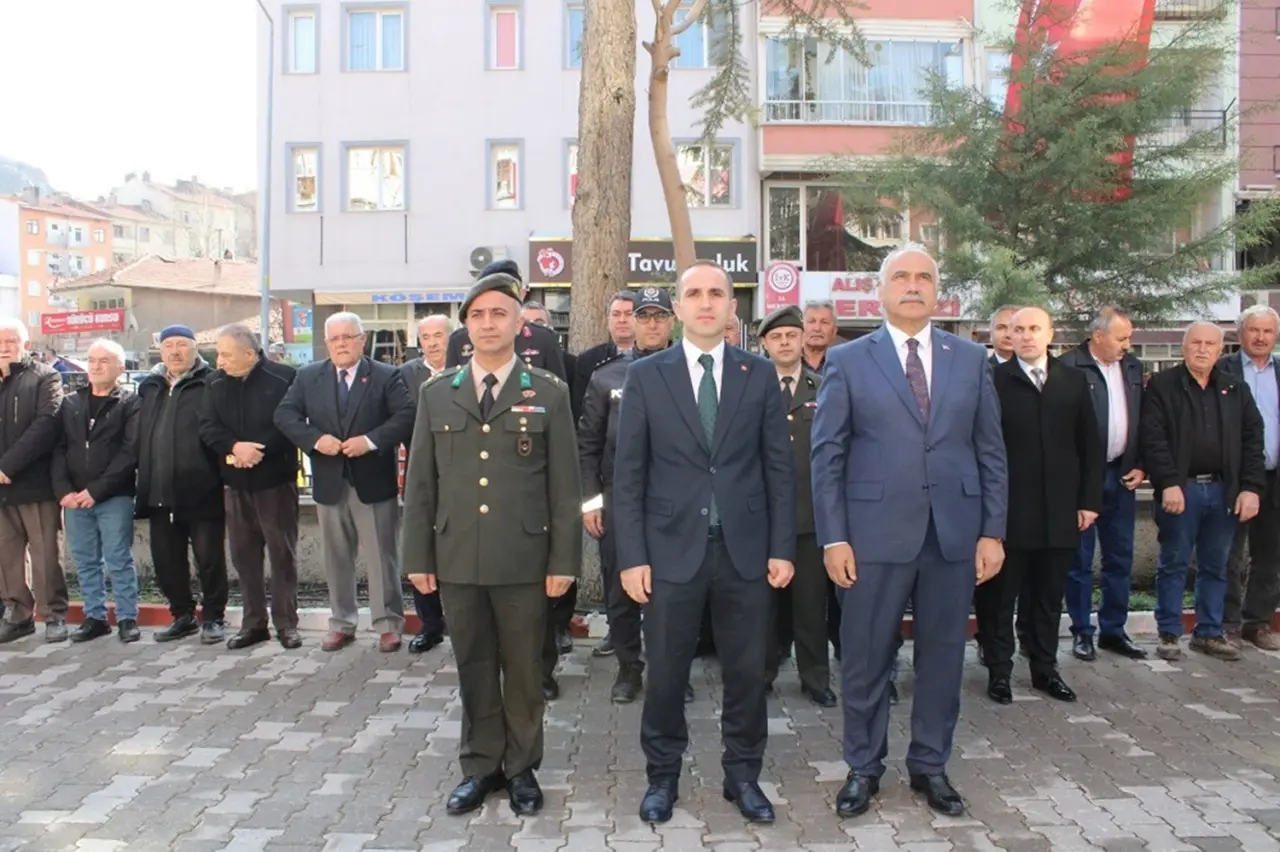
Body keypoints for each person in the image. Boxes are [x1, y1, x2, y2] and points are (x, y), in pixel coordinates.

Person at [811, 245, 1007, 819]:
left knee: (943, 658)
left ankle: (930, 766)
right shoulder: (848, 361)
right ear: (881, 290)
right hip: (871, 538)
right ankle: (863, 768)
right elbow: (828, 457)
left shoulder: (971, 360)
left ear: (937, 290)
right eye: (902, 276)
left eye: (924, 277)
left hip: (953, 535)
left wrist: (992, 531)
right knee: (867, 656)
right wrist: (834, 537)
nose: (914, 285)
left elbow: (990, 451)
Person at [613, 260, 796, 826]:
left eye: (717, 292)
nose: (706, 302)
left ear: (731, 306)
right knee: (666, 672)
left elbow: (778, 468)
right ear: (677, 307)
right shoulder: (647, 376)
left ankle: (743, 776)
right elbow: (629, 475)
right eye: (694, 293)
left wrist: (782, 547)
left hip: (744, 550)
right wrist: (633, 556)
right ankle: (661, 778)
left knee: (746, 672)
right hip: (670, 551)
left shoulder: (757, 374)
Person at [402, 271, 581, 817]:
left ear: (519, 322)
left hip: (524, 560)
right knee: (474, 666)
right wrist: (417, 557)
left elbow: (564, 487)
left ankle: (522, 769)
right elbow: (421, 485)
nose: (487, 324)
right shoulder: (437, 394)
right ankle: (481, 767)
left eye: (498, 313)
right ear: (465, 327)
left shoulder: (548, 392)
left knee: (525, 671)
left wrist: (564, 561)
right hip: (456, 558)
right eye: (476, 316)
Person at [976, 307, 1103, 705]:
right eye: (1018, 329)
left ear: (1050, 334)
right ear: (1007, 336)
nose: (1026, 336)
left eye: (1034, 329)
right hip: (1008, 513)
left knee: (1048, 600)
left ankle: (1045, 670)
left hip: (1060, 512)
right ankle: (999, 673)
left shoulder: (1073, 380)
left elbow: (1091, 446)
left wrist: (1088, 501)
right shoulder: (992, 381)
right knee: (1000, 601)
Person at [275, 312, 415, 653]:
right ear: (327, 343)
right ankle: (342, 622)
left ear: (362, 339)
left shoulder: (385, 375)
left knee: (382, 557)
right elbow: (285, 415)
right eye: (334, 339)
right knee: (337, 556)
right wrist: (314, 439)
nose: (341, 344)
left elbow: (407, 416)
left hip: (372, 482)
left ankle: (387, 624)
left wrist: (369, 441)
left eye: (348, 337)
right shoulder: (309, 377)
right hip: (328, 482)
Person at [1142, 321, 1265, 662]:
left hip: (1224, 491)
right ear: (1184, 347)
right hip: (1182, 490)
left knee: (1218, 565)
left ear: (1220, 349)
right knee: (1174, 563)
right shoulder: (1163, 386)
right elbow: (1153, 440)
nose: (1202, 349)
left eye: (1210, 344)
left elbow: (1253, 440)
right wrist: (1168, 482)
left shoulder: (1234, 387)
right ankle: (1168, 633)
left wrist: (1251, 488)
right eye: (1195, 342)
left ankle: (1208, 632)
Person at [578, 285, 675, 703]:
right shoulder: (607, 377)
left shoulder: (689, 371)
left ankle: (671, 670)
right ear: (631, 322)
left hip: (675, 499)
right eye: (644, 316)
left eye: (659, 316)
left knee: (672, 591)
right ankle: (628, 668)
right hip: (619, 500)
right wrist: (591, 503)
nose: (651, 324)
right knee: (620, 590)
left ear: (672, 322)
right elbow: (587, 446)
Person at [200, 324, 301, 651]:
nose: (220, 361)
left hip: (275, 482)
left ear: (249, 353)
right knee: (244, 557)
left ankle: (287, 624)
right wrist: (234, 448)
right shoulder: (214, 383)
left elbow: (290, 422)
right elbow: (207, 427)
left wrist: (258, 452)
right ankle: (254, 624)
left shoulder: (284, 377)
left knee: (282, 554)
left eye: (226, 354)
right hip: (235, 482)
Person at [1058, 306, 1147, 661]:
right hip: (1082, 482)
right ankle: (1082, 632)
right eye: (1121, 337)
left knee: (1120, 558)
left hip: (1122, 476)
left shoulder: (1132, 367)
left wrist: (1141, 464)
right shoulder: (1068, 368)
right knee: (1079, 561)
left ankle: (1114, 629)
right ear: (1098, 336)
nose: (1127, 345)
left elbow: (1143, 419)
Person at [757, 305, 835, 707]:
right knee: (764, 608)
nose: (785, 343)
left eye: (791, 335)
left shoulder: (824, 388)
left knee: (810, 605)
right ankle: (763, 675)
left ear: (803, 339)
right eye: (776, 337)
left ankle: (815, 678)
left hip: (809, 518)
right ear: (764, 344)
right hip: (763, 519)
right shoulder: (750, 388)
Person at [135, 325, 228, 644]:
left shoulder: (212, 382)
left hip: (202, 489)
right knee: (167, 560)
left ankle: (214, 618)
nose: (175, 351)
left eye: (182, 345)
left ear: (195, 348)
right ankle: (183, 616)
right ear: (160, 351)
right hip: (159, 490)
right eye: (168, 345)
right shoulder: (149, 387)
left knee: (210, 559)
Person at [53, 338, 141, 644]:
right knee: (85, 560)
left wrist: (97, 490)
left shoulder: (130, 403)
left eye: (104, 361)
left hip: (113, 496)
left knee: (118, 558)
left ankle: (128, 618)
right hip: (74, 499)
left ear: (119, 367)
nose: (96, 366)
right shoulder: (70, 404)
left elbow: (130, 453)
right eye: (92, 360)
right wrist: (64, 491)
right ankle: (95, 617)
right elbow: (58, 449)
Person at [0, 319, 68, 644]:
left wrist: (7, 466)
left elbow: (47, 424)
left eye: (12, 340)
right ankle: (18, 614)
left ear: (25, 345)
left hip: (35, 484)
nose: (4, 346)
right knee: (6, 555)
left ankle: (54, 615)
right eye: (0, 341)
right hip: (1, 491)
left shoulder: (45, 376)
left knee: (45, 555)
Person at [1221, 305, 1280, 650]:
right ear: (1240, 334)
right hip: (1233, 479)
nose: (1260, 337)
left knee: (1270, 556)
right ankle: (1227, 624)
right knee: (1228, 554)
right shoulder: (1222, 369)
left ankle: (1256, 623)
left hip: (1274, 479)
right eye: (1253, 330)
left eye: (1267, 331)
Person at [398, 314, 452, 654]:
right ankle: (431, 625)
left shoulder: (469, 370)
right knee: (422, 548)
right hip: (422, 477)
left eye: (438, 335)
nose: (432, 343)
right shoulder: (407, 376)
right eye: (425, 337)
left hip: (460, 478)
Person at [447, 259, 567, 382]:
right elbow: (450, 388)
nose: (488, 325)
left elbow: (555, 390)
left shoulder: (544, 339)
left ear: (522, 294)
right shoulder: (459, 340)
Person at [572, 292, 638, 422]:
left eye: (629, 314)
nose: (622, 320)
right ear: (608, 320)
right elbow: (579, 410)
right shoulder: (588, 360)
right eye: (616, 314)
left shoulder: (653, 358)